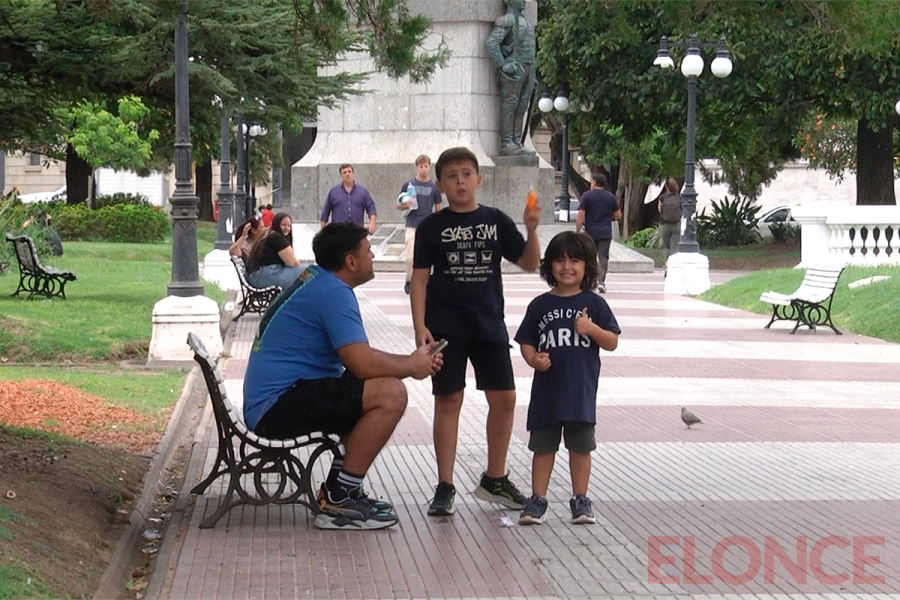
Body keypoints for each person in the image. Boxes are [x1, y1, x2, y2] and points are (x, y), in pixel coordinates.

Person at [243, 223, 443, 530]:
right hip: (275, 408)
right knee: (391, 394)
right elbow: (362, 364)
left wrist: (409, 362)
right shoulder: (334, 293)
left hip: (277, 400)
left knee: (367, 397)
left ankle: (342, 489)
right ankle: (339, 500)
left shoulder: (318, 280)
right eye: (367, 250)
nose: (373, 255)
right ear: (351, 262)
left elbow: (357, 357)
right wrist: (411, 367)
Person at [410, 146, 542, 516]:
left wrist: (531, 229)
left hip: (488, 323)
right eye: (452, 176)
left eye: (467, 174)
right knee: (448, 400)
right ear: (440, 184)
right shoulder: (431, 227)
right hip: (445, 327)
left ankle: (494, 478)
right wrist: (420, 327)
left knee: (505, 398)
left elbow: (530, 264)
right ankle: (445, 485)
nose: (460, 181)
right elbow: (420, 280)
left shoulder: (496, 220)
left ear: (479, 179)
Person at [514, 231, 620, 526]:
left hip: (580, 392)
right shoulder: (539, 305)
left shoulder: (594, 303)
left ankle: (581, 499)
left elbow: (611, 341)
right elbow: (525, 340)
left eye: (575, 260)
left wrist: (590, 329)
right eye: (559, 261)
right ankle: (537, 499)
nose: (567, 267)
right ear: (550, 267)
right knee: (543, 446)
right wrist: (533, 358)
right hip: (547, 392)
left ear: (587, 266)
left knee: (581, 446)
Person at [485, 0, 536, 156]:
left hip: (529, 68)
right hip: (514, 68)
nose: (523, 1)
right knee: (510, 105)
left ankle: (517, 142)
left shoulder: (527, 22)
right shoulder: (506, 20)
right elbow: (492, 43)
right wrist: (502, 64)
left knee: (522, 107)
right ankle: (507, 143)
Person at [396, 154, 442, 295]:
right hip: (412, 223)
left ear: (429, 167)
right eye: (421, 166)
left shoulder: (434, 186)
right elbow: (398, 205)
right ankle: (409, 280)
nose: (423, 169)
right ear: (417, 167)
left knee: (429, 256)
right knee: (410, 256)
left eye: (426, 166)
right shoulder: (409, 184)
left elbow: (438, 205)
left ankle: (426, 281)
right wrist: (406, 204)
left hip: (428, 225)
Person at [575, 173, 621, 293]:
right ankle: (601, 282)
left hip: (590, 231)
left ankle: (590, 281)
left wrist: (578, 229)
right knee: (603, 257)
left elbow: (581, 214)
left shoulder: (587, 196)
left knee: (589, 257)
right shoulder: (610, 197)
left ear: (594, 182)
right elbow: (618, 215)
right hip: (605, 232)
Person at [246, 212, 305, 290]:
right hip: (264, 276)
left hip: (257, 275)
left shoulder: (268, 234)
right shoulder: (277, 237)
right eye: (283, 225)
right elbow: (293, 263)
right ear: (277, 224)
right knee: (310, 273)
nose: (287, 228)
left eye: (289, 225)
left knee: (306, 274)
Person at [321, 164, 377, 234]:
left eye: (349, 171)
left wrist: (372, 223)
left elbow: (371, 208)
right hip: (338, 232)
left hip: (357, 232)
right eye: (344, 172)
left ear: (353, 173)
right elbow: (325, 212)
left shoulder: (363, 191)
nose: (347, 174)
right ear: (341, 175)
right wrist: (322, 232)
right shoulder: (333, 192)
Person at [658, 178, 683, 270]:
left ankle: (666, 265)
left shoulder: (662, 197)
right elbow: (682, 210)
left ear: (666, 186)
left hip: (665, 224)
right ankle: (672, 266)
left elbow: (659, 210)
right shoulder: (679, 198)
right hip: (676, 224)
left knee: (666, 246)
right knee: (674, 246)